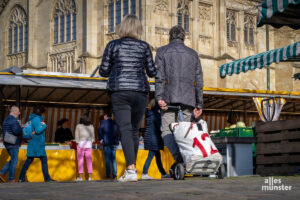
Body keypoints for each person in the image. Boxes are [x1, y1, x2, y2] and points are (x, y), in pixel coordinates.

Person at [99, 14, 156, 182]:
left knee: (124, 128)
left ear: (122, 28)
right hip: (140, 91)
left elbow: (103, 71)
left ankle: (130, 169)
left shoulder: (112, 45)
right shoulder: (144, 47)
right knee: (133, 130)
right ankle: (132, 169)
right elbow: (152, 72)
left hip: (120, 90)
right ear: (138, 29)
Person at [155, 25, 203, 168]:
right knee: (186, 131)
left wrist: (159, 98)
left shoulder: (162, 51)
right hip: (188, 100)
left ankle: (179, 158)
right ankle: (185, 158)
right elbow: (199, 81)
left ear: (170, 37)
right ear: (184, 37)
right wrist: (199, 104)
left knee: (166, 131)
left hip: (168, 99)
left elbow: (159, 78)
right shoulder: (193, 54)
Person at [19, 105, 54, 182]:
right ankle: (47, 178)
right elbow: (38, 131)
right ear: (41, 112)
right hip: (37, 144)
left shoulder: (31, 119)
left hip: (33, 143)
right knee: (43, 160)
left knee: (29, 160)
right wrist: (44, 126)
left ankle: (21, 177)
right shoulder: (37, 119)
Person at [141, 99, 170, 180]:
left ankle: (163, 173)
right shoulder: (155, 115)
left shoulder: (150, 114)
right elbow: (160, 127)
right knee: (150, 155)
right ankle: (144, 173)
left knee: (158, 156)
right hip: (154, 138)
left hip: (151, 137)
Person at [0, 106, 22, 183]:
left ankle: (2, 173)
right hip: (13, 142)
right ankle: (11, 178)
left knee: (13, 159)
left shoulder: (7, 119)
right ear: (15, 111)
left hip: (7, 142)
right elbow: (16, 131)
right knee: (14, 160)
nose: (19, 113)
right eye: (18, 111)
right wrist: (21, 128)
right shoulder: (13, 120)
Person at [98, 112, 119, 179]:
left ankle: (108, 175)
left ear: (106, 115)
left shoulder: (103, 122)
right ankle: (115, 175)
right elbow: (117, 132)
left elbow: (99, 130)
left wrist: (101, 139)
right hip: (114, 143)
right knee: (113, 159)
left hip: (107, 143)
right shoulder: (115, 122)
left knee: (107, 159)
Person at [75, 114, 95, 181]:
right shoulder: (91, 126)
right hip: (89, 145)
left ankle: (80, 177)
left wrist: (78, 142)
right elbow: (93, 137)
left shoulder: (78, 126)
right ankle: (90, 177)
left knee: (80, 161)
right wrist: (90, 142)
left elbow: (76, 136)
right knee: (89, 161)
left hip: (81, 144)